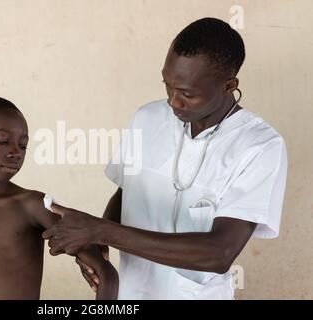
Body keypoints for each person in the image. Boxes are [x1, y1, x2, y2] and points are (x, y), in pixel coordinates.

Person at [43, 17, 288, 299]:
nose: (172, 101)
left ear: (228, 86)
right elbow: (128, 192)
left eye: (186, 93)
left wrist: (100, 231)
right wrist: (99, 246)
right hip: (131, 294)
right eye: (167, 85)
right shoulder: (147, 118)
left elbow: (218, 252)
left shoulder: (259, 146)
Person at [0, 96, 118, 299]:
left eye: (23, 145)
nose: (15, 152)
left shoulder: (33, 206)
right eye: (2, 141)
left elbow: (106, 275)